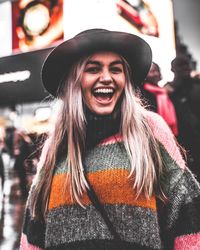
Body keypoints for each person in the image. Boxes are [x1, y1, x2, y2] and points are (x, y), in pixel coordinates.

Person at [20, 29, 200, 250]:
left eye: (116, 69)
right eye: (93, 69)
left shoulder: (151, 130)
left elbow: (188, 219)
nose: (106, 77)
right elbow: (33, 233)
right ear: (74, 80)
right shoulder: (56, 144)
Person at [165, 56, 200, 182]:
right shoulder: (167, 91)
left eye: (186, 65)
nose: (185, 68)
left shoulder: (197, 85)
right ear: (172, 69)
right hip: (181, 143)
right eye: (181, 65)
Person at [142, 62, 178, 136]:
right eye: (152, 71)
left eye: (157, 71)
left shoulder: (163, 91)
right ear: (144, 75)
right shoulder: (143, 94)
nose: (156, 74)